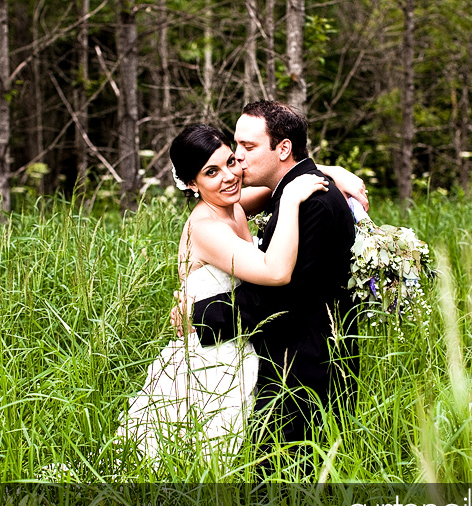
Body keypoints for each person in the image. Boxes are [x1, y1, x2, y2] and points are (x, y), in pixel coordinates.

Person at [116, 122, 364, 464]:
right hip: (211, 358)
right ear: (191, 183)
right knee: (204, 458)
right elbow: (275, 272)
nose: (229, 176)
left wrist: (332, 171)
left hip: (240, 347)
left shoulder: (231, 204)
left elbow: (283, 176)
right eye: (211, 172)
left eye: (231, 161)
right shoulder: (205, 228)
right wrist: (291, 202)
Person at [180, 101, 360, 469]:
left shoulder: (306, 200)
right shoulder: (233, 209)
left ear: (283, 149)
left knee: (282, 484)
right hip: (236, 357)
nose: (237, 166)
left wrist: (199, 314)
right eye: (234, 152)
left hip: (306, 363)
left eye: (243, 151)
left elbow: (280, 287)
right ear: (192, 183)